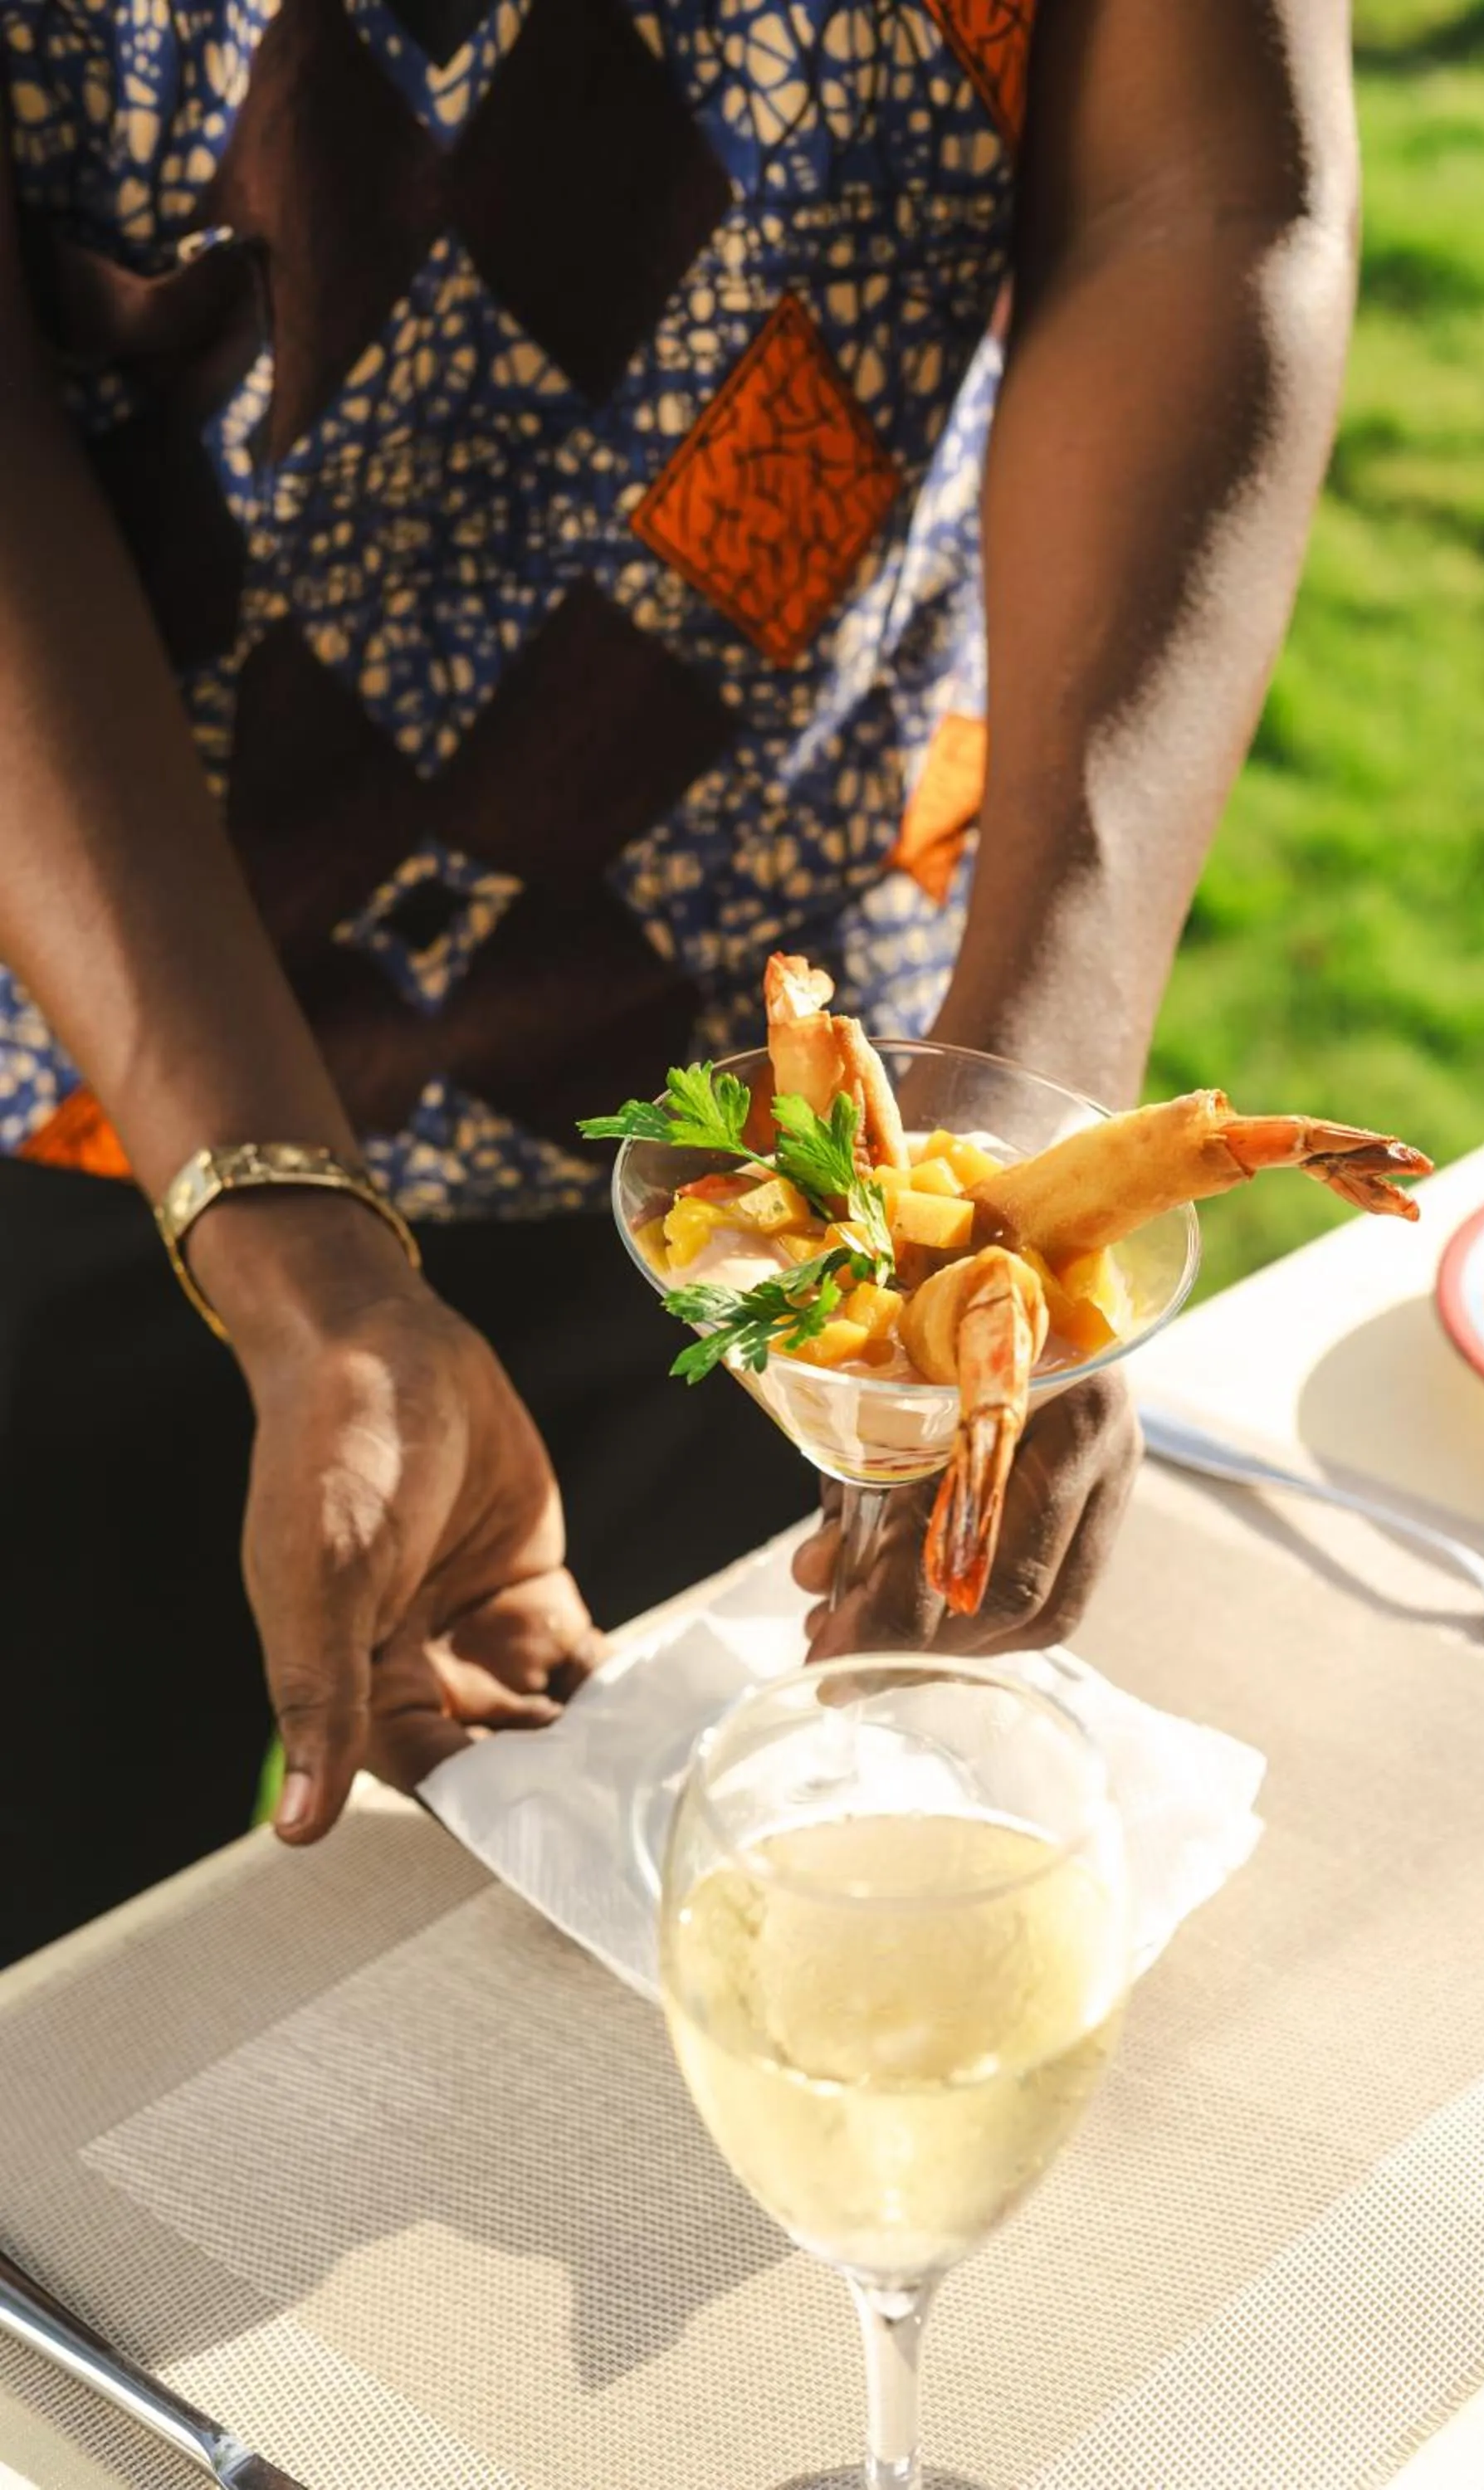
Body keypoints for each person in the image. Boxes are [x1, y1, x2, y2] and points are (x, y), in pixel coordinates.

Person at [0, 0, 1357, 1964]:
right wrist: (288, 1242)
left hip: (787, 1126)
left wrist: (1000, 1188)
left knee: (702, 1949)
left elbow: (1202, 202)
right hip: (66, 1027)